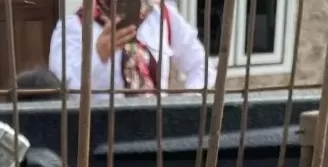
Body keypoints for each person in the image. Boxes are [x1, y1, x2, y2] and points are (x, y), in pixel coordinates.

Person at [49, 0, 215, 96]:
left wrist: (185, 106)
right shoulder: (73, 27)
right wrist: (98, 57)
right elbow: (61, 93)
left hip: (157, 137)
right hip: (99, 142)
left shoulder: (162, 16)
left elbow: (202, 67)